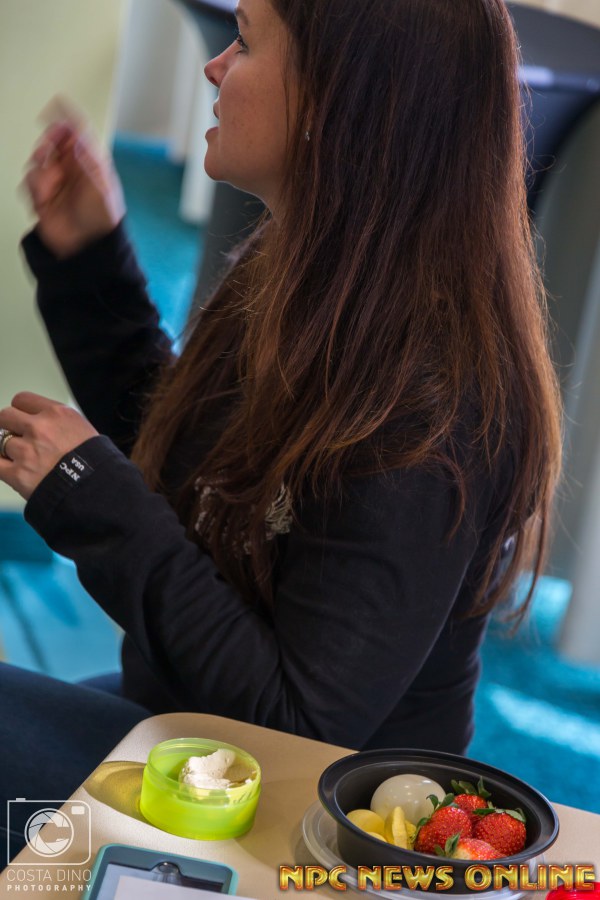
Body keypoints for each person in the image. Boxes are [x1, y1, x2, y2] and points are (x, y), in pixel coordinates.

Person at [0, 0, 561, 851]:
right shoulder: (310, 271)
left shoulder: (427, 408)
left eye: (246, 42)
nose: (214, 65)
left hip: (313, 819)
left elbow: (300, 725)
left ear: (337, 101)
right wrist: (91, 266)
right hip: (194, 731)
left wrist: (95, 502)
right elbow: (193, 467)